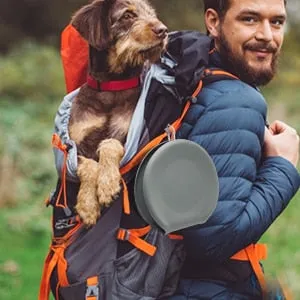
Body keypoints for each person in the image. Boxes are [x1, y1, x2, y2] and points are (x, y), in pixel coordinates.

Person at [169, 0, 300, 299]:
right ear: (213, 22)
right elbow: (214, 239)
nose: (267, 35)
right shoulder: (236, 101)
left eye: (277, 22)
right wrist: (283, 167)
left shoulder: (190, 78)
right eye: (250, 19)